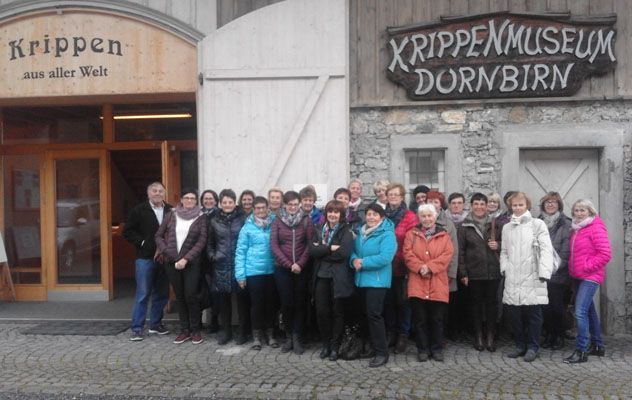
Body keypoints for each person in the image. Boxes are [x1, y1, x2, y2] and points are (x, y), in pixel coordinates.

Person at [501, 192, 553, 362]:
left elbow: (546, 250)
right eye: (514, 205)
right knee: (515, 315)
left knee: (533, 315)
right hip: (513, 277)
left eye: (520, 205)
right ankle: (520, 345)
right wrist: (505, 268)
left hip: (533, 276)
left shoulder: (537, 225)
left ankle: (533, 347)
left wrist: (544, 272)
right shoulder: (507, 227)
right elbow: (504, 251)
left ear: (527, 205)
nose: (517, 208)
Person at [155, 189, 207, 344]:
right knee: (180, 296)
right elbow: (158, 235)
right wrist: (167, 252)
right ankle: (185, 330)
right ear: (182, 200)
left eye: (192, 198)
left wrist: (185, 258)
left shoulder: (201, 217)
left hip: (191, 263)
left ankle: (196, 330)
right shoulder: (171, 215)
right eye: (186, 198)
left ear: (196, 201)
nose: (189, 200)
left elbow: (201, 241)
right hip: (171, 262)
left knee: (191, 295)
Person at [404, 204, 454, 362]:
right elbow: (408, 254)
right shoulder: (411, 234)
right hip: (417, 282)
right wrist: (420, 268)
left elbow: (447, 255)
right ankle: (422, 349)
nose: (427, 219)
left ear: (435, 216)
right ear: (419, 218)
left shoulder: (444, 235)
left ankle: (437, 348)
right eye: (423, 216)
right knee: (420, 320)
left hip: (437, 282)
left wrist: (430, 267)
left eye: (429, 215)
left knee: (437, 319)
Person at [564, 199, 611, 364]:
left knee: (580, 312)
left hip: (590, 276)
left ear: (590, 212)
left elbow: (605, 254)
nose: (579, 213)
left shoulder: (596, 227)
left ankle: (581, 351)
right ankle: (598, 345)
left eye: (582, 210)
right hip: (577, 276)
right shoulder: (577, 228)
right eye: (576, 210)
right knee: (589, 311)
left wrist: (586, 266)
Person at [123, 181, 172, 341]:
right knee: (143, 294)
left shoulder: (170, 210)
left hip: (164, 258)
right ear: (148, 193)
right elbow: (127, 232)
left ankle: (155, 324)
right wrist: (143, 242)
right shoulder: (139, 210)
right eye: (154, 191)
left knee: (162, 293)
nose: (158, 193)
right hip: (145, 258)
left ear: (164, 193)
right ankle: (137, 328)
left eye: (160, 191)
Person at [350, 203, 397, 368]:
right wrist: (353, 260)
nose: (371, 217)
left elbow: (385, 257)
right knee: (364, 315)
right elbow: (353, 252)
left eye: (375, 214)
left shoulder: (387, 234)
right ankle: (369, 347)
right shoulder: (361, 232)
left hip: (377, 281)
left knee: (374, 316)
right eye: (369, 214)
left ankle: (382, 352)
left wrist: (363, 262)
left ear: (381, 217)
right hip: (361, 280)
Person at [310, 200, 355, 361]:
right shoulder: (318, 229)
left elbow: (343, 253)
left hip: (338, 277)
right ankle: (326, 344)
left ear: (341, 215)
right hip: (321, 276)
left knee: (337, 312)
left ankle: (335, 346)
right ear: (326, 213)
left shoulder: (346, 231)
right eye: (330, 211)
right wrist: (329, 248)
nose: (333, 215)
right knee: (322, 312)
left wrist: (322, 251)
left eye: (336, 212)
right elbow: (312, 251)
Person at [271, 190, 314, 354]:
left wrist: (300, 264)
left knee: (300, 304)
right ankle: (288, 336)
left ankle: (297, 337)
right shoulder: (277, 221)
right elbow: (274, 245)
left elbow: (310, 244)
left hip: (301, 269)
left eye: (296, 204)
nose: (293, 207)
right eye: (290, 204)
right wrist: (290, 264)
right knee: (286, 303)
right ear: (285, 205)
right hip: (283, 269)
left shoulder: (306, 220)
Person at [458, 193, 501, 352]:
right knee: (475, 305)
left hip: (493, 270)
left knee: (491, 304)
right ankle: (478, 336)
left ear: (487, 206)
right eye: (476, 204)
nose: (479, 207)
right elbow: (460, 251)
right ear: (471, 206)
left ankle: (490, 335)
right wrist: (463, 273)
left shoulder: (496, 224)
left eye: (482, 204)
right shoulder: (464, 226)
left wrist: (499, 245)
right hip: (474, 271)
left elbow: (506, 244)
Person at [235, 196, 278, 350]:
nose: (261, 210)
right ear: (253, 209)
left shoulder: (275, 224)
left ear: (268, 208)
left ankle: (270, 334)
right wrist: (240, 275)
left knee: (271, 305)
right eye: (258, 208)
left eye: (263, 207)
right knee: (256, 305)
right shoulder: (247, 228)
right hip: (253, 272)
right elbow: (240, 252)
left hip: (272, 271)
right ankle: (257, 337)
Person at [207, 189, 247, 345]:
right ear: (220, 203)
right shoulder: (214, 221)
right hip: (221, 265)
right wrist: (213, 256)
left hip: (239, 265)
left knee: (242, 301)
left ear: (235, 203)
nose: (227, 204)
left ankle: (242, 332)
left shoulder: (243, 219)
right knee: (223, 302)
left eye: (230, 202)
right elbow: (209, 243)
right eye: (224, 202)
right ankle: (227, 332)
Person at [383, 183, 418, 354]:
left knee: (403, 302)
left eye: (396, 194)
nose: (393, 197)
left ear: (402, 197)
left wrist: (407, 261)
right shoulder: (382, 215)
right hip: (385, 266)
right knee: (388, 301)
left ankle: (403, 334)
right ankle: (391, 332)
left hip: (403, 266)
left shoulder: (410, 216)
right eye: (390, 194)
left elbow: (413, 241)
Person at [538, 192, 572, 351]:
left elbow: (566, 250)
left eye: (553, 202)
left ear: (559, 205)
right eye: (547, 202)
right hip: (541, 271)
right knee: (545, 306)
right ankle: (549, 334)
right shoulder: (537, 222)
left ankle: (559, 336)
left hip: (558, 271)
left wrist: (556, 266)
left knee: (557, 306)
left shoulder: (566, 223)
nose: (550, 205)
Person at [427, 191, 460, 340]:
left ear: (441, 205)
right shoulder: (421, 220)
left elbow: (454, 251)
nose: (433, 204)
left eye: (436, 202)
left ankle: (442, 336)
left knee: (441, 307)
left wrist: (451, 273)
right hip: (424, 272)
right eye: (430, 201)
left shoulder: (448, 224)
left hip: (442, 272)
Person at [200, 189, 220, 332]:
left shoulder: (219, 215)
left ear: (216, 200)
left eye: (211, 198)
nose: (208, 201)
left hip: (214, 258)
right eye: (205, 199)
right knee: (197, 291)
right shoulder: (197, 215)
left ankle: (214, 321)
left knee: (215, 292)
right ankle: (197, 321)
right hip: (198, 258)